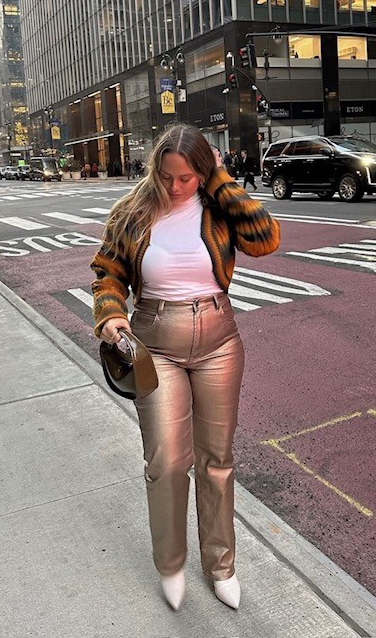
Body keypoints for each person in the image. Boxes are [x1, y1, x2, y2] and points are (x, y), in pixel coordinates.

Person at [90, 124, 280, 611]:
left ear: (203, 172)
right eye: (167, 175)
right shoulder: (133, 213)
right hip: (155, 343)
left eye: (188, 178)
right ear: (155, 169)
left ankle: (221, 566)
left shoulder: (217, 207)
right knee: (167, 463)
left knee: (217, 461)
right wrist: (111, 315)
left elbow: (265, 239)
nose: (175, 188)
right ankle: (170, 564)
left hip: (219, 339)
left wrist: (218, 179)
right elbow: (107, 271)